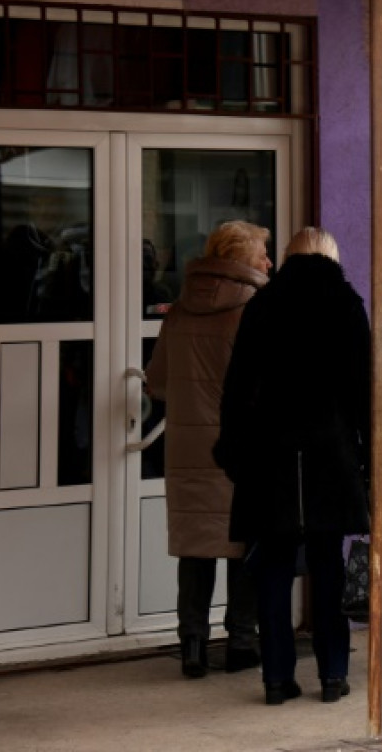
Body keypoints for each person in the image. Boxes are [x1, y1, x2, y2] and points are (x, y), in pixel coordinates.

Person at [215, 227, 371, 705]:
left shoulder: (262, 306)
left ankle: (277, 677)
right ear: (331, 256)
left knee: (273, 568)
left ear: (286, 257)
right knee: (327, 564)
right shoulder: (346, 306)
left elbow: (238, 385)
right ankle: (333, 674)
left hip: (270, 452)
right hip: (330, 452)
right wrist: (366, 449)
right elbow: (362, 386)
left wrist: (233, 449)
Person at [145, 219, 271, 679]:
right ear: (242, 260)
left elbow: (157, 382)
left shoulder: (179, 310)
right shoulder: (254, 311)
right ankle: (241, 641)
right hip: (241, 448)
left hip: (189, 447)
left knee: (197, 550)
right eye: (262, 254)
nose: (269, 262)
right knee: (243, 543)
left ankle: (193, 644)